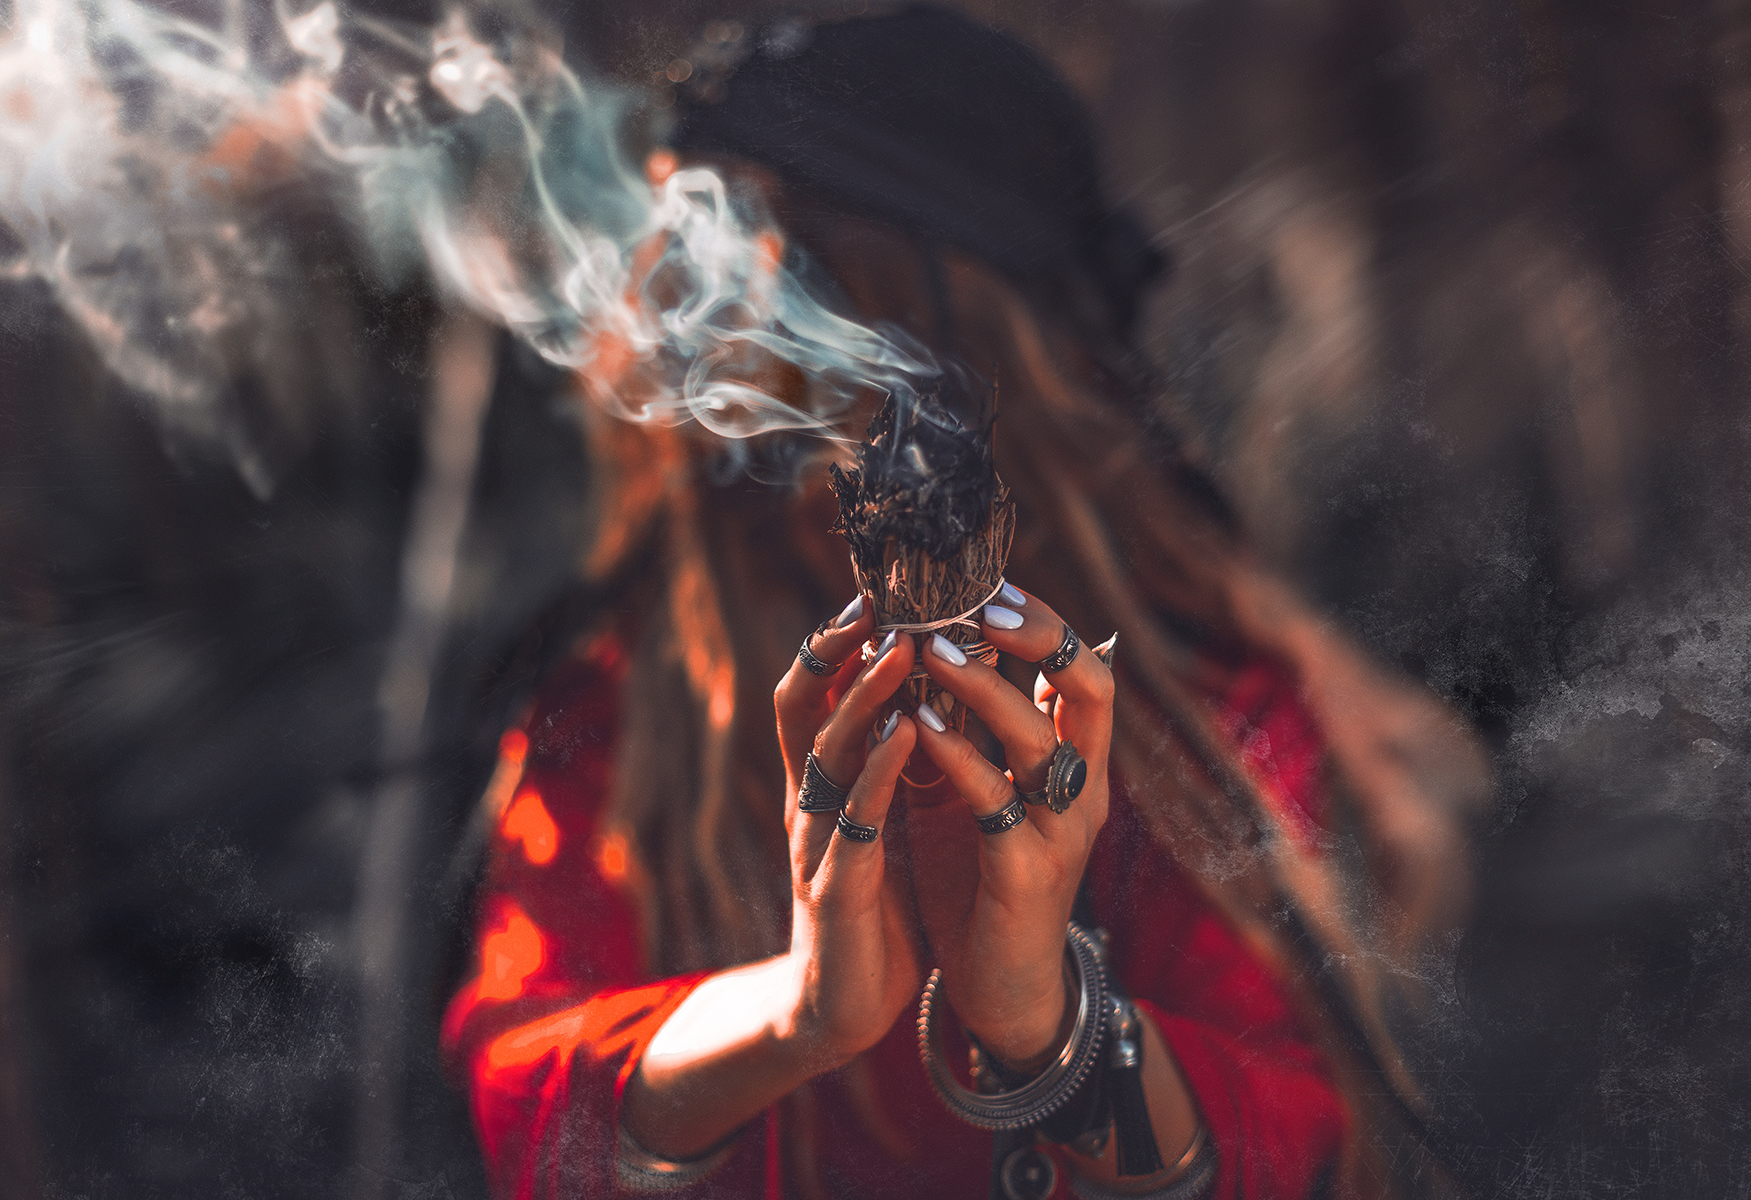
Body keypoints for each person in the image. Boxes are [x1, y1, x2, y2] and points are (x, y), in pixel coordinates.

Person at [441, 7, 1490, 1198]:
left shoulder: (1183, 703)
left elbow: (1288, 1145)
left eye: (788, 328)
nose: (703, 372)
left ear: (962, 362)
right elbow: (525, 1085)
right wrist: (795, 1016)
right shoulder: (626, 702)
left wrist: (1045, 1031)